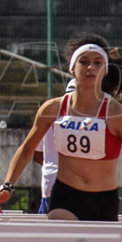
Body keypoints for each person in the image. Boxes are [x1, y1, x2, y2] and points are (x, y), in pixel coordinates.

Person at [0, 33, 122, 222]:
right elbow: (26, 150)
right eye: (83, 61)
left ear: (106, 69)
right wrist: (6, 186)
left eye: (97, 62)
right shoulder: (52, 109)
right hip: (65, 196)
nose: (91, 67)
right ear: (72, 68)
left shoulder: (116, 114)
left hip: (103, 200)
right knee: (62, 237)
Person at [34, 78, 75, 215]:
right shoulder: (92, 120)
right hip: (79, 187)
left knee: (47, 234)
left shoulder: (51, 115)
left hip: (50, 184)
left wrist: (52, 164)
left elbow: (36, 154)